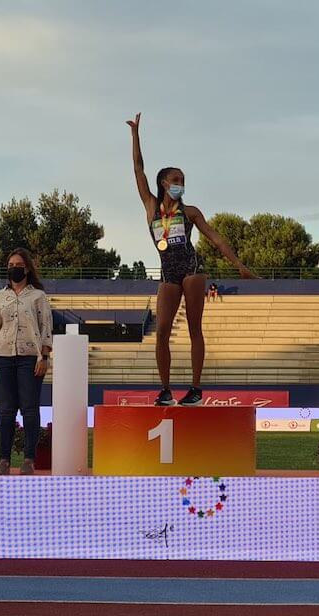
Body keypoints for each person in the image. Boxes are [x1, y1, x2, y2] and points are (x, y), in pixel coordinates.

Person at [127, 112, 257, 406]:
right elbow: (138, 169)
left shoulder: (191, 212)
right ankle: (165, 390)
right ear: (163, 182)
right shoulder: (151, 207)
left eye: (183, 180)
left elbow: (215, 237)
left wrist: (238, 265)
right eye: (176, 179)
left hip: (191, 269)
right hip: (167, 272)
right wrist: (135, 135)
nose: (180, 184)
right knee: (161, 332)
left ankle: (196, 390)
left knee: (194, 328)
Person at [0, 248, 52, 475]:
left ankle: (29, 459)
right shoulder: (0, 296)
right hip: (3, 356)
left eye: (18, 264)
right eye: (10, 264)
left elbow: (46, 328)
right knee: (5, 410)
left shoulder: (38, 296)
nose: (14, 268)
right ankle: (3, 459)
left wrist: (44, 357)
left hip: (29, 358)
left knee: (30, 410)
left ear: (27, 268)